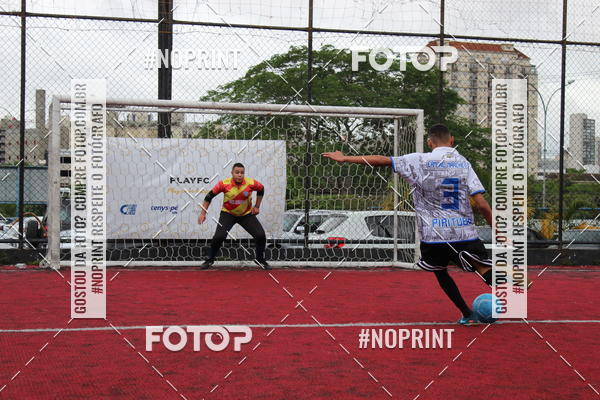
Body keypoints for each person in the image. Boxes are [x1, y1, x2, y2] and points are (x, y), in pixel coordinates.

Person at [322, 124, 493, 325]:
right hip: (463, 231)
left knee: (440, 271)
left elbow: (382, 160)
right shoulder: (463, 163)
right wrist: (495, 228)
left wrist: (345, 158)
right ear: (452, 140)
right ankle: (515, 295)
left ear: (429, 142)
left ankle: (467, 314)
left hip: (433, 234)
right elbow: (481, 203)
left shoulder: (418, 160)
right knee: (483, 268)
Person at [198, 163, 269, 270]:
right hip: (228, 214)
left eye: (242, 173)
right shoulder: (224, 184)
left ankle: (260, 259)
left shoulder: (251, 183)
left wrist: (257, 206)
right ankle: (210, 259)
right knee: (219, 237)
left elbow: (261, 189)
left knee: (260, 235)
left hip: (246, 215)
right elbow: (209, 196)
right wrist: (203, 213)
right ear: (232, 173)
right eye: (237, 172)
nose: (239, 175)